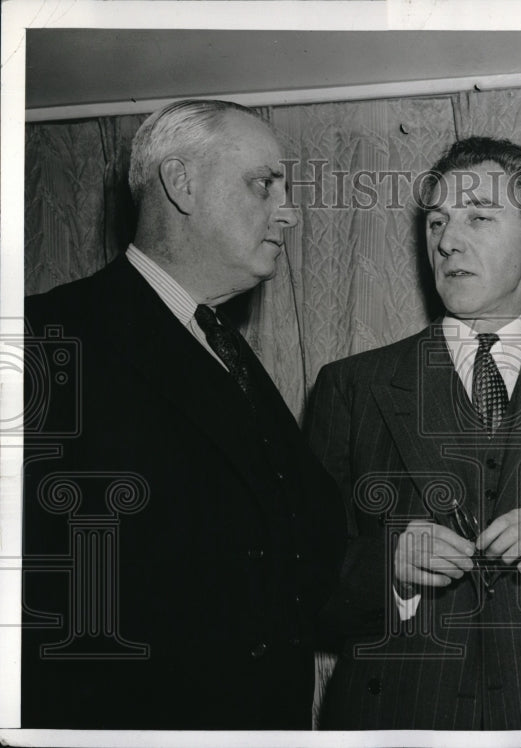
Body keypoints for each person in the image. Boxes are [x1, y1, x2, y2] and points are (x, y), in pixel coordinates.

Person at [306, 136, 521, 730]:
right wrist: (388, 565)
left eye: (479, 217)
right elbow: (304, 583)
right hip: (394, 716)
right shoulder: (352, 386)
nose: (447, 240)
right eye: (438, 221)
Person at [21, 99, 347, 729]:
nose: (289, 211)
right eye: (263, 184)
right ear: (181, 183)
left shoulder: (225, 348)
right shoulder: (42, 338)